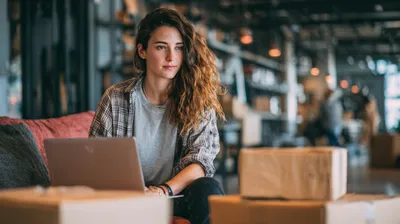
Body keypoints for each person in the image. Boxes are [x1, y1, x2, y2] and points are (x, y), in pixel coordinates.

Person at [88, 8, 225, 224]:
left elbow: (201, 162)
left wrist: (163, 191)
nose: (172, 57)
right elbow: (94, 158)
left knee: (209, 188)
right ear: (142, 51)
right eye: (161, 47)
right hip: (128, 197)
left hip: (174, 196)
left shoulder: (197, 99)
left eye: (178, 48)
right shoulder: (116, 98)